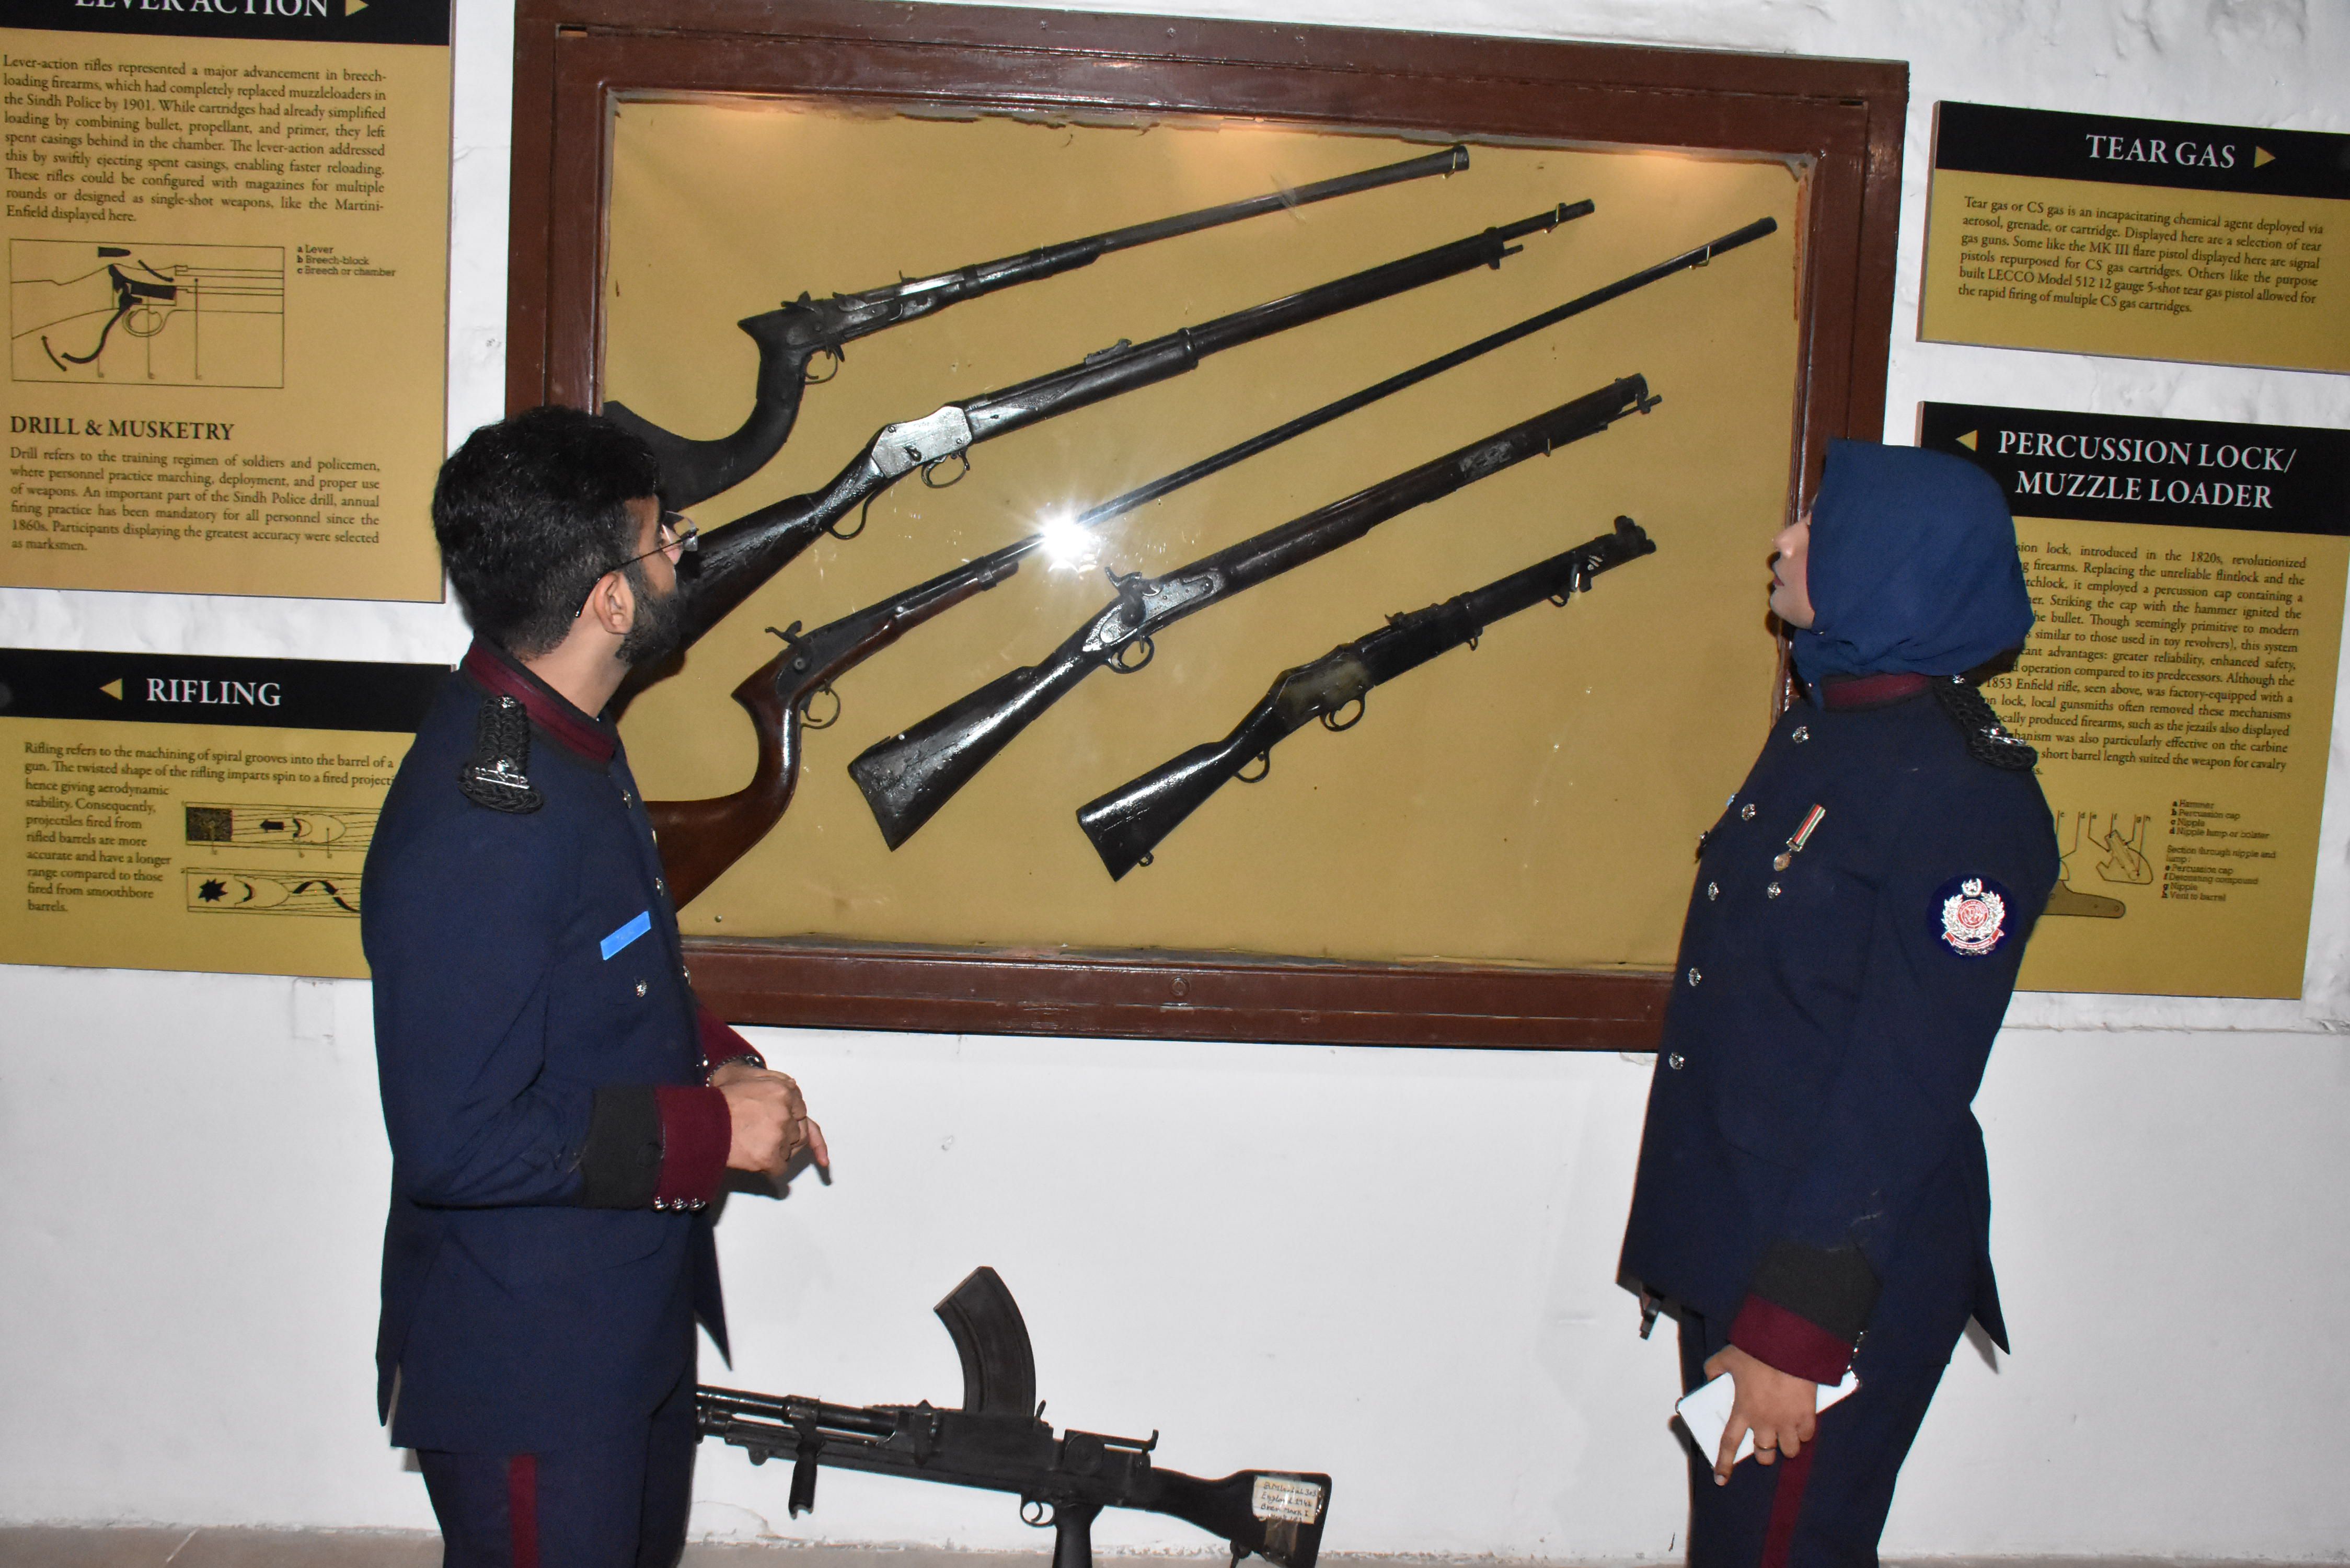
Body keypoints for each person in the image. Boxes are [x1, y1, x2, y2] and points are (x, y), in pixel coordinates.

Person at [364, 406, 830, 1568]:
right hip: (533, 1363)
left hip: (613, 1315)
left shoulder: (562, 743)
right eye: (663, 537)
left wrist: (720, 1057)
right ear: (611, 602)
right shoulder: (484, 823)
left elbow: (608, 965)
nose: (682, 553)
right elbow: (458, 1142)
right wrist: (711, 1130)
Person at [1617, 440, 2058, 1568]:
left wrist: (1796, 1328)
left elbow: (1903, 1088)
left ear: (1891, 559)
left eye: (1816, 525)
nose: (1784, 541)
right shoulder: (1832, 732)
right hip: (1749, 1233)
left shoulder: (1964, 797)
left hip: (1831, 1270)